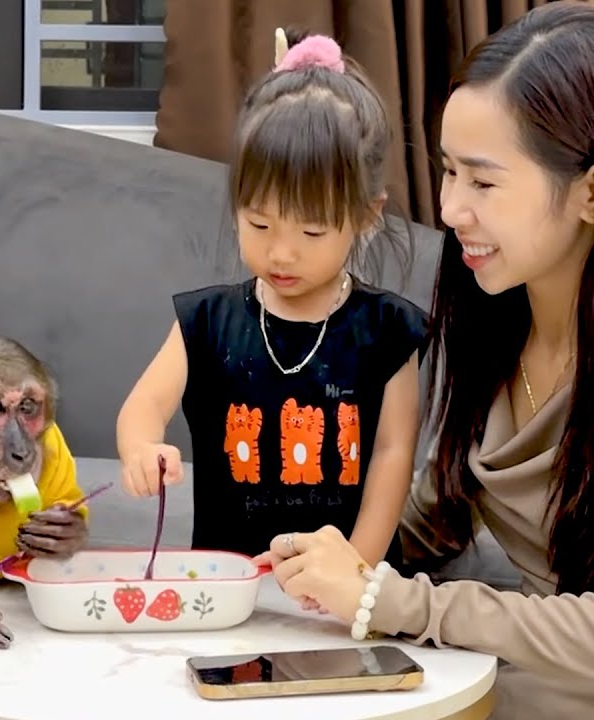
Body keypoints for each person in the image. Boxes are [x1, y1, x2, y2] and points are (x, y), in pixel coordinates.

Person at [253, 4, 594, 719]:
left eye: (482, 182)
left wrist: (391, 599)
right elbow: (430, 523)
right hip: (537, 696)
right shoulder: (498, 319)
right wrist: (311, 551)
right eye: (446, 172)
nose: (449, 209)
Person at [115, 29, 429, 571]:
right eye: (259, 223)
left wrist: (357, 569)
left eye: (311, 233)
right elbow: (145, 406)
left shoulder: (387, 330)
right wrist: (143, 448)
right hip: (227, 581)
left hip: (349, 585)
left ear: (365, 217)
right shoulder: (207, 321)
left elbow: (392, 453)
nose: (281, 253)